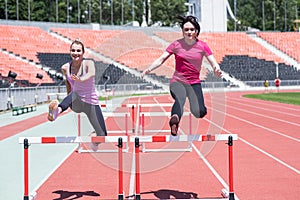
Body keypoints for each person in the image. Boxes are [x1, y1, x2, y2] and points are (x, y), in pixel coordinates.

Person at [141, 15, 222, 136]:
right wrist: (149, 69)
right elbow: (162, 59)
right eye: (186, 30)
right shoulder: (176, 45)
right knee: (180, 97)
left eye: (191, 29)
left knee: (199, 112)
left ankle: (199, 110)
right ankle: (174, 121)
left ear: (196, 31)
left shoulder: (203, 46)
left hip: (194, 83)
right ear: (183, 31)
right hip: (177, 82)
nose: (189, 32)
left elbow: (213, 62)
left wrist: (217, 70)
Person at [48, 39, 107, 151]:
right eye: (73, 50)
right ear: (70, 52)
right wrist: (67, 100)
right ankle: (55, 113)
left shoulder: (88, 63)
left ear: (83, 52)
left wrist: (80, 79)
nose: (76, 53)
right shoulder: (65, 68)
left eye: (78, 51)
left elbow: (91, 74)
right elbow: (67, 82)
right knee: (74, 94)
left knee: (102, 135)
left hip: (91, 104)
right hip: (77, 102)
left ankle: (96, 142)